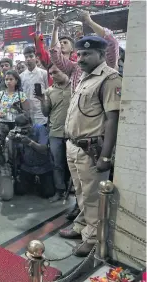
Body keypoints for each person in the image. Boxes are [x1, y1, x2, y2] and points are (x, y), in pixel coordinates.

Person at [59, 36, 122, 257]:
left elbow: (113, 119)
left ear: (102, 55)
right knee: (80, 192)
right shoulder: (84, 77)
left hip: (91, 149)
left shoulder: (110, 79)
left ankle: (93, 238)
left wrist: (106, 156)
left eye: (87, 54)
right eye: (80, 54)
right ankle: (81, 226)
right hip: (74, 145)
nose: (81, 58)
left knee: (93, 195)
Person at [35, 64, 71, 202]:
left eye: (56, 72)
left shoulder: (75, 87)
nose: (53, 76)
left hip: (72, 133)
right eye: (51, 74)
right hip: (55, 132)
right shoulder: (49, 91)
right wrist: (42, 101)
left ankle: (72, 190)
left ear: (64, 69)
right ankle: (59, 191)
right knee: (57, 164)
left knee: (73, 164)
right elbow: (45, 112)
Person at [10, 114, 55, 199]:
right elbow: (14, 155)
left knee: (48, 193)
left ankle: (38, 182)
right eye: (23, 129)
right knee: (19, 191)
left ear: (31, 123)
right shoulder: (16, 133)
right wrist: (11, 141)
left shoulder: (40, 128)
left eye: (27, 128)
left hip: (43, 167)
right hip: (27, 167)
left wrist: (30, 142)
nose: (26, 131)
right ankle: (32, 182)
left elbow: (44, 149)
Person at [20, 46, 49, 126]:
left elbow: (48, 91)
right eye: (26, 57)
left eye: (31, 56)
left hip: (41, 113)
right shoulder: (21, 76)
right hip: (27, 114)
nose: (28, 59)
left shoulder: (44, 74)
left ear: (36, 57)